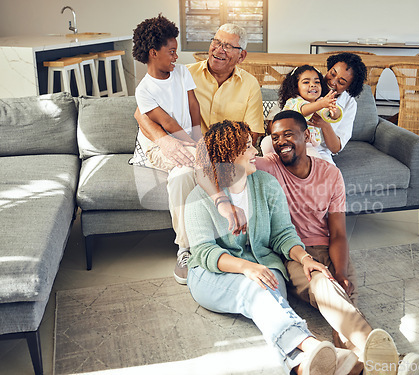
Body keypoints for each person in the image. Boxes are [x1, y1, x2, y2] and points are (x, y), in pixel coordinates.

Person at [209, 111, 419, 374]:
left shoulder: (330, 175)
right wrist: (221, 202)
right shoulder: (267, 166)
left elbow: (339, 233)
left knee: (343, 308)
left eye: (288, 134)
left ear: (307, 136)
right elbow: (216, 163)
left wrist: (341, 271)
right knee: (324, 286)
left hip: (326, 247)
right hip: (293, 251)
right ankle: (387, 358)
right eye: (275, 137)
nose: (281, 142)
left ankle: (367, 366)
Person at [184, 120, 359, 375]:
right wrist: (246, 268)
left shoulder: (266, 184)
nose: (256, 150)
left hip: (265, 265)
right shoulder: (198, 198)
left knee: (266, 291)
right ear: (229, 155)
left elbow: (283, 234)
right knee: (254, 291)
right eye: (247, 147)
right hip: (212, 274)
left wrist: (304, 258)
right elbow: (204, 252)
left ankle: (300, 366)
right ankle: (312, 345)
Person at [134, 23, 265, 284]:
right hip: (188, 148)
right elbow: (141, 113)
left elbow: (253, 134)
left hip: (221, 152)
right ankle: (186, 249)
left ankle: (248, 244)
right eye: (216, 41)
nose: (219, 49)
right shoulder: (183, 72)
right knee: (182, 175)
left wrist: (219, 151)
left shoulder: (250, 85)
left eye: (228, 46)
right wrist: (165, 141)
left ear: (242, 55)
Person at [129, 14, 202, 284]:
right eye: (171, 51)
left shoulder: (182, 72)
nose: (176, 56)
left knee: (186, 173)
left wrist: (198, 137)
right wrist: (196, 147)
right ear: (153, 52)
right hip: (161, 143)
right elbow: (167, 123)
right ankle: (185, 249)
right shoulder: (144, 90)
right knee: (192, 168)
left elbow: (193, 107)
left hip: (187, 138)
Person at [261, 65, 342, 162]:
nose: (313, 85)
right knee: (266, 142)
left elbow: (329, 115)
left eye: (317, 82)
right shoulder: (293, 101)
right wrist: (321, 104)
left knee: (315, 159)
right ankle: (272, 162)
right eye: (306, 82)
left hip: (305, 144)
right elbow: (302, 111)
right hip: (284, 140)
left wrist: (333, 110)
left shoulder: (320, 102)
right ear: (296, 87)